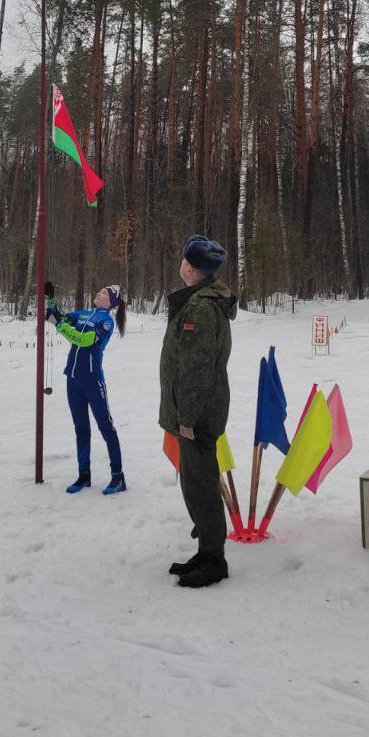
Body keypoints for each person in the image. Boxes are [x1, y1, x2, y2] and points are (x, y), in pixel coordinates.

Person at [158, 235, 237, 588]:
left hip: (198, 414)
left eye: (182, 261)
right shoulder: (199, 302)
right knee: (194, 482)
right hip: (196, 411)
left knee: (202, 484)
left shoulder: (201, 308)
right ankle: (207, 551)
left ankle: (214, 558)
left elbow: (196, 368)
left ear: (190, 268)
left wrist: (186, 417)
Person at [46, 282, 127, 495]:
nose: (98, 293)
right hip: (73, 379)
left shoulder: (106, 322)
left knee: (106, 427)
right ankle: (84, 475)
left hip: (92, 380)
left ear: (110, 302)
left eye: (103, 293)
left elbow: (83, 340)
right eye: (100, 291)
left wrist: (60, 326)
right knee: (80, 428)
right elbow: (60, 317)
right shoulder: (84, 314)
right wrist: (51, 301)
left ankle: (118, 477)